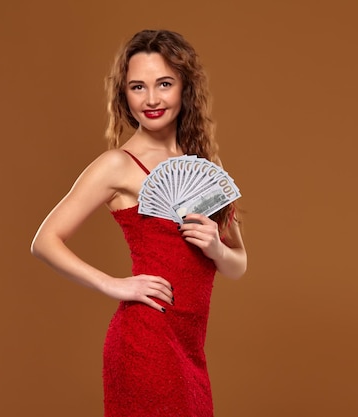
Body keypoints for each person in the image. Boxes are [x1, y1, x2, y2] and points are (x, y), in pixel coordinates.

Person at [31, 29, 247, 417]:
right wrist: (114, 285)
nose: (151, 99)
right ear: (123, 95)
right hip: (145, 342)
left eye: (164, 84)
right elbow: (45, 240)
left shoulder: (204, 169)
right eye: (137, 87)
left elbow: (238, 265)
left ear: (185, 88)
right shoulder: (117, 165)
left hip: (191, 350)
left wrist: (216, 247)